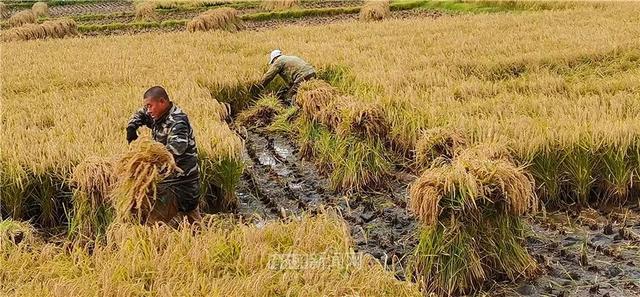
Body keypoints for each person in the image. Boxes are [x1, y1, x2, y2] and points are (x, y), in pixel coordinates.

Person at [126, 86, 201, 223]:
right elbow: (141, 113)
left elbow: (174, 150)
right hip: (168, 179)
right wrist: (131, 127)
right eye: (147, 106)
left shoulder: (177, 122)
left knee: (155, 222)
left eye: (150, 106)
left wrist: (144, 161)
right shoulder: (157, 113)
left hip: (182, 182)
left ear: (162, 102)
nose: (148, 110)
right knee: (192, 222)